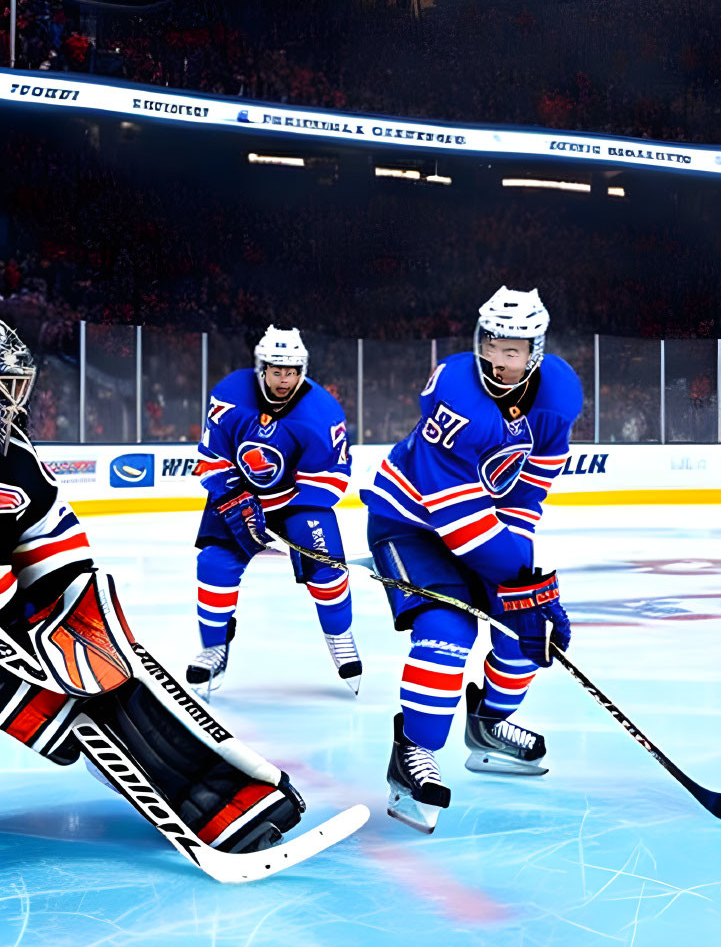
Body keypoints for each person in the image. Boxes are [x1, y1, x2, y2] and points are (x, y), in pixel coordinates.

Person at [0, 321, 320, 861]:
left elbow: (53, 542)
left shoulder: (16, 458)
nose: (12, 401)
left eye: (14, 386)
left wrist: (73, 610)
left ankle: (220, 803)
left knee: (106, 671)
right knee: (44, 697)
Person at [360, 287, 582, 834]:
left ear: (536, 351)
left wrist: (526, 587)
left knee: (524, 634)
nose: (498, 360)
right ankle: (413, 753)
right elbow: (455, 517)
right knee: (446, 631)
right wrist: (522, 585)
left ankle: (487, 727)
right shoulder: (456, 392)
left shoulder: (559, 394)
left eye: (513, 350)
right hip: (410, 525)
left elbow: (528, 495)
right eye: (491, 345)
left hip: (482, 526)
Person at [188, 327, 358, 697]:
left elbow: (332, 477)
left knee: (327, 573)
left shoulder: (322, 413)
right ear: (261, 368)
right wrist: (233, 498)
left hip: (297, 501)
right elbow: (212, 459)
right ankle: (215, 646)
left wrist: (289, 517)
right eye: (277, 371)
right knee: (213, 565)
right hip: (239, 495)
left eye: (292, 371)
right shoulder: (230, 395)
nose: (285, 380)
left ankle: (340, 636)